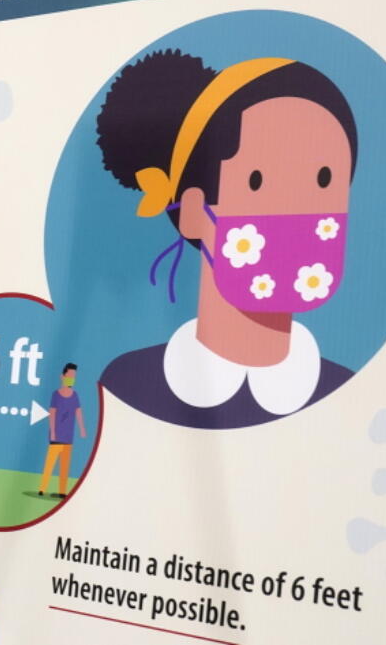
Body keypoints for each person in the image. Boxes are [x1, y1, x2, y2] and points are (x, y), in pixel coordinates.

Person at [95, 51, 356, 429]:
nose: (294, 210)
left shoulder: (344, 393)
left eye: (324, 180)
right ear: (193, 211)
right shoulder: (126, 384)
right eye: (257, 181)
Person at [37, 363, 86, 497]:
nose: (71, 378)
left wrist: (82, 428)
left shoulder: (75, 396)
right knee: (50, 464)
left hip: (68, 437)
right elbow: (52, 413)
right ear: (62, 376)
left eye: (73, 376)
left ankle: (62, 491)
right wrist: (52, 431)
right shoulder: (56, 395)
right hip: (56, 437)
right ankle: (42, 488)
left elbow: (78, 412)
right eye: (69, 375)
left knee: (64, 466)